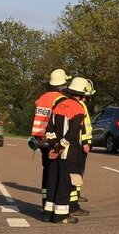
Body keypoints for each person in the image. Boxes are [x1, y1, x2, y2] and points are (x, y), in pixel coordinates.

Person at [44, 77, 90, 223]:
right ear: (82, 94)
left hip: (55, 152)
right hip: (69, 154)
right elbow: (73, 132)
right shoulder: (79, 109)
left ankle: (48, 213)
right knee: (65, 184)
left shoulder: (58, 105)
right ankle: (61, 216)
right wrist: (61, 146)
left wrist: (54, 145)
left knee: (53, 182)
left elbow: (49, 129)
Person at [32, 69, 70, 211]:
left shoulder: (42, 98)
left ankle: (45, 202)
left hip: (41, 139)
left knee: (46, 171)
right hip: (53, 139)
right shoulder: (60, 100)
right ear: (62, 86)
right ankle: (52, 203)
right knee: (56, 174)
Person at [68, 79, 96, 216]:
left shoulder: (67, 103)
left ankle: (74, 197)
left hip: (74, 144)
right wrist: (86, 142)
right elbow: (82, 127)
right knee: (75, 173)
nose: (87, 99)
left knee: (75, 173)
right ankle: (72, 204)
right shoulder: (79, 106)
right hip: (78, 145)